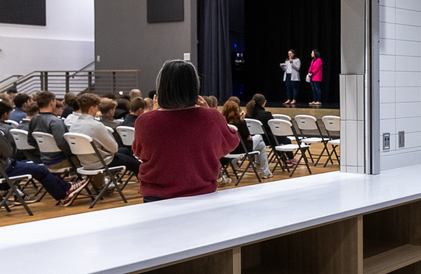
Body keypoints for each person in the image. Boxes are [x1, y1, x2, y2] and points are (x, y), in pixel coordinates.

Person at [132, 60, 239, 202]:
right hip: (202, 193)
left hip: (156, 196)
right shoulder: (212, 117)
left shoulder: (145, 121)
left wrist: (154, 113)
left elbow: (139, 152)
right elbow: (231, 142)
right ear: (194, 86)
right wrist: (209, 111)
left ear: (162, 87)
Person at [0, 94, 86, 206]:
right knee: (41, 170)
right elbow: (9, 152)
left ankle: (67, 188)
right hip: (1, 169)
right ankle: (64, 194)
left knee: (37, 168)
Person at [70, 93, 140, 189]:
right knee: (136, 164)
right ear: (91, 108)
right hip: (101, 162)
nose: (97, 109)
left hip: (85, 161)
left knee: (125, 151)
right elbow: (114, 148)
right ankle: (145, 186)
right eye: (96, 107)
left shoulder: (73, 125)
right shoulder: (96, 126)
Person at [221, 99, 272, 179]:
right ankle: (264, 172)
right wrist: (242, 119)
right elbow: (248, 137)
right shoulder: (240, 122)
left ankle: (262, 168)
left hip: (228, 150)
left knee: (261, 145)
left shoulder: (222, 123)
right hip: (241, 149)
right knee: (259, 138)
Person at [28, 91, 75, 172]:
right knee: (89, 160)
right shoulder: (56, 121)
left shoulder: (34, 119)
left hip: (44, 160)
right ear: (51, 102)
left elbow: (31, 141)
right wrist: (73, 152)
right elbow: (62, 144)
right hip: (60, 161)